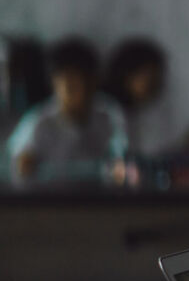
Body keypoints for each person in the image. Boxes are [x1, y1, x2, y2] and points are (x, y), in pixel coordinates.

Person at [7, 36, 127, 184]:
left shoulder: (108, 115)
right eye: (71, 87)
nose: (80, 94)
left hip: (97, 200)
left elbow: (120, 161)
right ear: (54, 84)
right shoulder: (38, 123)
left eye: (86, 86)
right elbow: (19, 168)